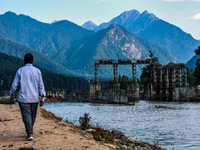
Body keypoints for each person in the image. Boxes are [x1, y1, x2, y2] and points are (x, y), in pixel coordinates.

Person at [10, 53, 46, 141]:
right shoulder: (38, 71)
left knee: (26, 116)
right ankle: (30, 132)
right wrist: (42, 98)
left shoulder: (20, 71)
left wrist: (12, 95)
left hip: (23, 98)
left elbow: (14, 85)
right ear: (33, 61)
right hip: (34, 98)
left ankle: (30, 133)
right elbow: (41, 86)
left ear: (24, 61)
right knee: (32, 117)